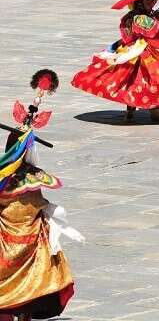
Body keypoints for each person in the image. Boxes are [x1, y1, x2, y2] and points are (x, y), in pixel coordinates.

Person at [0, 70, 83, 321]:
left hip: (5, 240)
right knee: (33, 278)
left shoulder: (3, 179)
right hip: (30, 239)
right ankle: (24, 313)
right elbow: (35, 203)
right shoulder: (33, 179)